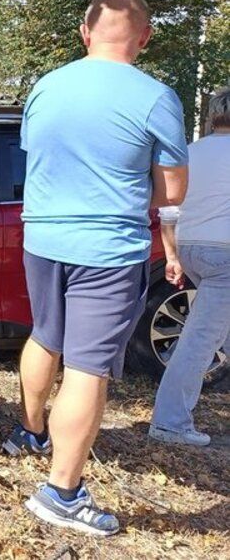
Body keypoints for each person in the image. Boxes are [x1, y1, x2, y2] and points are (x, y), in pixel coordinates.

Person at [6, 0, 188, 537]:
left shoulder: (45, 86)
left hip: (41, 236)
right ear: (145, 38)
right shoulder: (156, 96)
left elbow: (36, 156)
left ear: (85, 34)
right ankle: (62, 493)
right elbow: (173, 187)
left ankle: (30, 432)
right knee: (87, 368)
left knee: (45, 335)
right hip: (106, 248)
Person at [150, 88, 230, 447]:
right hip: (225, 254)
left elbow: (169, 206)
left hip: (192, 247)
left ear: (213, 115)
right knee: (201, 339)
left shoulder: (191, 153)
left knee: (218, 331)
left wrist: (171, 253)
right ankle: (170, 422)